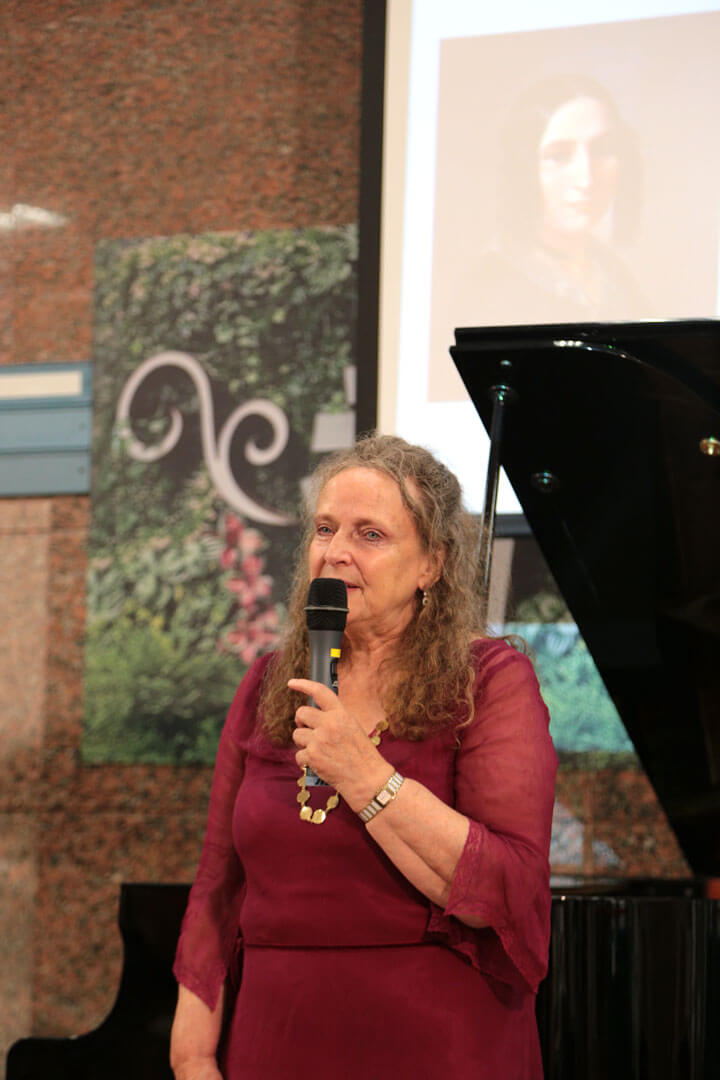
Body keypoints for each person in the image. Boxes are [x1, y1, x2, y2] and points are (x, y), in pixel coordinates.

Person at [170, 433, 557, 1079]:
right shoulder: (269, 683)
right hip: (274, 1040)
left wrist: (366, 775)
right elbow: (219, 884)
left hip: (434, 1045)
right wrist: (192, 1054)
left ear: (432, 563)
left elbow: (507, 888)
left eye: (370, 534)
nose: (336, 552)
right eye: (325, 529)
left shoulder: (488, 681)